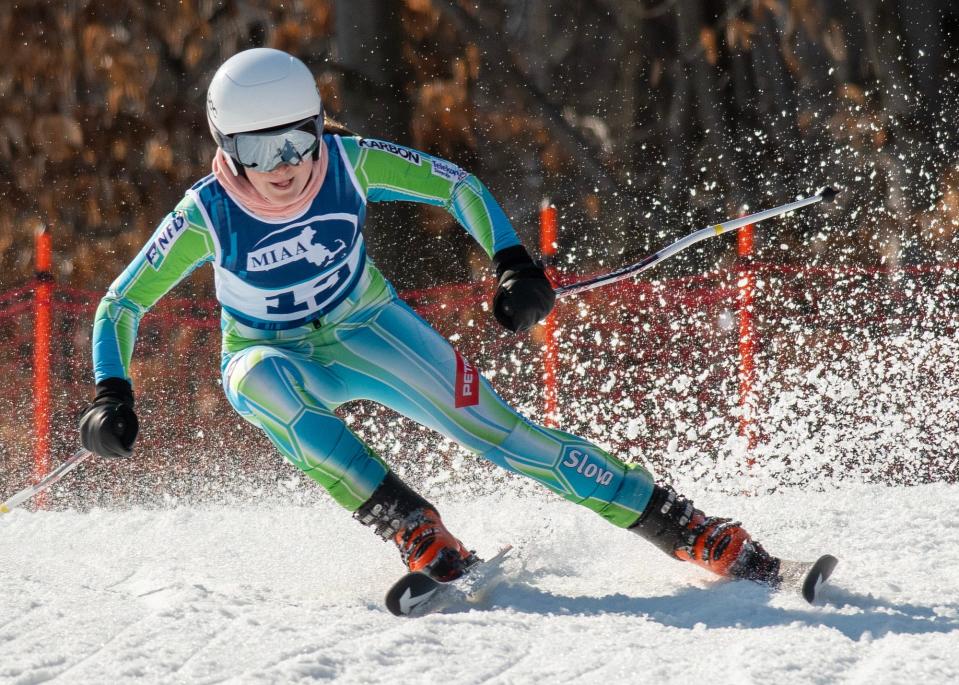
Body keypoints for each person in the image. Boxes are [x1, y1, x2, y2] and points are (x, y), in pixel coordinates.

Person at [79, 48, 781, 586]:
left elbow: (456, 185)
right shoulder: (207, 212)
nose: (287, 165)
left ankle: (683, 525)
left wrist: (511, 261)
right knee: (259, 386)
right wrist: (112, 393)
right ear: (227, 146)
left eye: (298, 139)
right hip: (272, 352)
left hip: (368, 328)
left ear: (318, 126)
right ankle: (413, 526)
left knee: (505, 435)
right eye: (261, 150)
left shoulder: (348, 163)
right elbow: (122, 302)